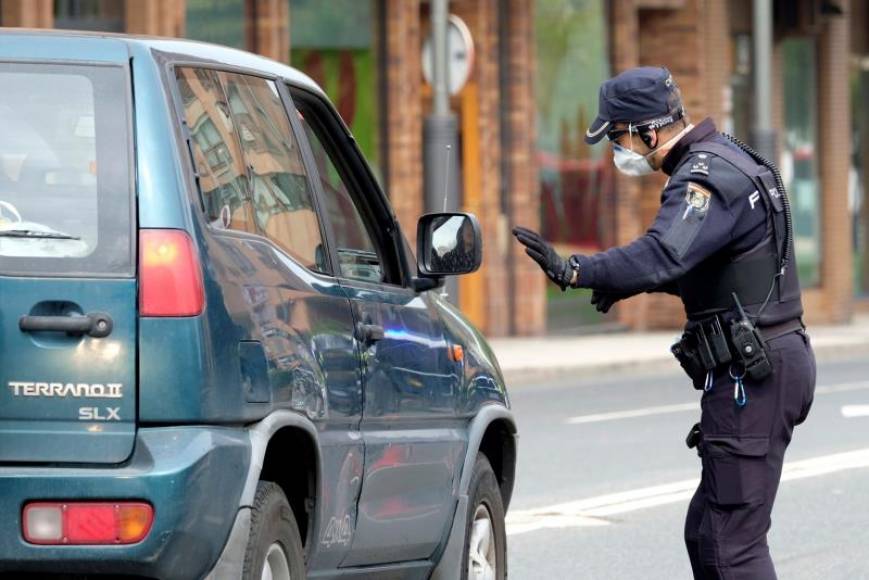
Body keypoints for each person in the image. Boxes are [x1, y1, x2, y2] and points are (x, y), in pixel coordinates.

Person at [513, 66, 816, 579]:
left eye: (617, 136)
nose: (616, 149)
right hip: (766, 362)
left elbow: (662, 254)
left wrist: (576, 270)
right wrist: (623, 282)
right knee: (705, 532)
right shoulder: (730, 158)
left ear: (649, 131)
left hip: (754, 375)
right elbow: (717, 270)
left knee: (730, 545)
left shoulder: (703, 177)